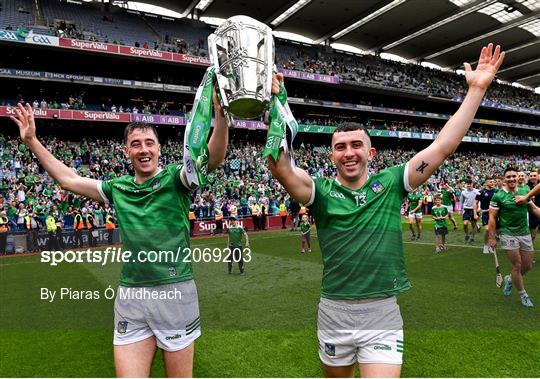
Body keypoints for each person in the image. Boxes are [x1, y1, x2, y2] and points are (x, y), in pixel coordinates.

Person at [267, 44, 505, 377]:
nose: (349, 152)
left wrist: (477, 90)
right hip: (333, 310)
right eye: (340, 147)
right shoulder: (318, 191)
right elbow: (280, 168)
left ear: (371, 151)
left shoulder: (392, 182)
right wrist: (276, 105)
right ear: (331, 156)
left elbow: (443, 146)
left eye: (356, 145)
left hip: (382, 312)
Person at [10, 89, 228, 377]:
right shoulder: (118, 188)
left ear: (160, 149)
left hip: (174, 293)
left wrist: (221, 117)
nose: (143, 149)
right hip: (130, 295)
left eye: (150, 143)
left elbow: (213, 157)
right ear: (127, 151)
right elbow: (68, 179)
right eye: (135, 144)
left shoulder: (176, 178)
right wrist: (32, 142)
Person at [488, 167, 540, 308]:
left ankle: (510, 279)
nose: (511, 179)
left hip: (524, 232)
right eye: (508, 177)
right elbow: (492, 217)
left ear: (518, 178)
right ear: (504, 179)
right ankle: (523, 295)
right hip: (507, 233)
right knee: (517, 265)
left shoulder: (524, 191)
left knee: (528, 265)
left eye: (513, 176)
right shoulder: (498, 196)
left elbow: (534, 209)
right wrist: (491, 237)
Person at [475, 177, 497, 254]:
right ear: (486, 183)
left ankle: (490, 246)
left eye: (493, 182)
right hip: (485, 213)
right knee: (487, 229)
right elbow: (475, 203)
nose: (493, 183)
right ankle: (485, 245)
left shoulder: (496, 191)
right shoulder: (481, 192)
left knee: (493, 230)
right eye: (491, 182)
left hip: (495, 212)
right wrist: (475, 213)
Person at [460, 179, 480, 243]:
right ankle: (467, 235)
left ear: (472, 184)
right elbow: (461, 201)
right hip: (466, 209)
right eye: (468, 184)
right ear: (466, 185)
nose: (469, 185)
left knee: (473, 225)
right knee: (465, 224)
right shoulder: (463, 192)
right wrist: (460, 210)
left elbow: (480, 200)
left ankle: (472, 237)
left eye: (470, 184)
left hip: (474, 209)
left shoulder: (477, 191)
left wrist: (479, 207)